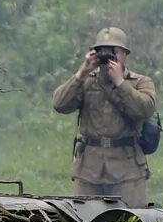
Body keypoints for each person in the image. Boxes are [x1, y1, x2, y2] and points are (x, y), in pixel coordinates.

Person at [51, 27, 157, 205]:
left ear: (124, 54)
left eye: (114, 51)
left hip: (126, 168)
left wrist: (120, 83)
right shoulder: (87, 81)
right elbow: (60, 104)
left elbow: (145, 109)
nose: (108, 56)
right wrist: (81, 73)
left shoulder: (140, 82)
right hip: (89, 170)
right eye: (102, 51)